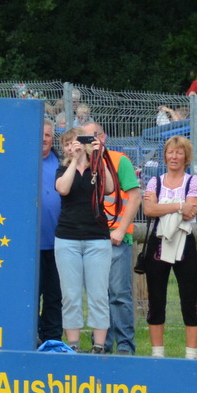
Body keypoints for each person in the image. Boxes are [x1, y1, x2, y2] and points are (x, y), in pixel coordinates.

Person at [140, 135, 197, 359]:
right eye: (170, 152)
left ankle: (191, 353)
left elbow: (191, 211)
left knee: (189, 295)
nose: (174, 156)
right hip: (158, 240)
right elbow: (148, 211)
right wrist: (178, 205)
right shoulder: (154, 181)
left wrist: (162, 205)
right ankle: (157, 352)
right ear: (164, 155)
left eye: (179, 152)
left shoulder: (193, 181)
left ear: (186, 156)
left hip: (184, 240)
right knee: (156, 296)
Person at [54, 124, 114, 353]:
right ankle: (73, 345)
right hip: (67, 238)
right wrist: (74, 162)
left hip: (97, 238)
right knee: (70, 295)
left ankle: (99, 345)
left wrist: (98, 156)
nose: (72, 147)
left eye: (75, 143)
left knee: (98, 293)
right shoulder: (62, 170)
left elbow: (109, 188)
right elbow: (63, 189)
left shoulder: (97, 167)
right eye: (67, 144)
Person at [88, 122, 142, 354]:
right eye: (85, 137)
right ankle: (101, 344)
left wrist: (120, 229)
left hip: (116, 238)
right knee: (98, 294)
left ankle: (125, 345)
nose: (90, 141)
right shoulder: (82, 162)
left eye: (94, 136)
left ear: (104, 137)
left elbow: (135, 196)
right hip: (91, 238)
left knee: (119, 295)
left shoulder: (120, 161)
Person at [35, 122, 64, 343]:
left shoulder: (62, 163)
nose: (44, 138)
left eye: (47, 135)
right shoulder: (23, 162)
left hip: (58, 244)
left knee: (55, 296)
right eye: (40, 134)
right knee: (31, 296)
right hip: (30, 246)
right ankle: (31, 337)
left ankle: (52, 339)